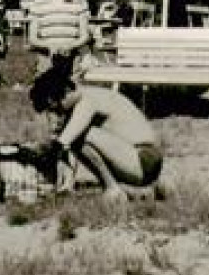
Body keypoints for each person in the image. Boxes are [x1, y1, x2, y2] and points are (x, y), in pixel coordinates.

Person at [32, 60, 163, 196]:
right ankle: (138, 189)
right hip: (140, 159)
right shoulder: (87, 95)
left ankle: (113, 189)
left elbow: (63, 143)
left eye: (57, 108)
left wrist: (37, 157)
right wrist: (64, 187)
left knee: (79, 136)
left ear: (64, 94)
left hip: (143, 159)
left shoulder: (87, 102)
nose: (58, 114)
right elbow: (67, 147)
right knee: (75, 138)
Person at [27, 0, 92, 77]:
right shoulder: (39, 4)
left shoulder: (79, 3)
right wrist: (50, 46)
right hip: (47, 60)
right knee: (47, 92)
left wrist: (70, 46)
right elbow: (32, 38)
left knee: (72, 94)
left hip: (73, 61)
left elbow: (84, 36)